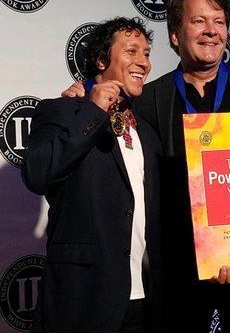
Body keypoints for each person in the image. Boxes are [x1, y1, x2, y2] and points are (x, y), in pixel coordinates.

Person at [61, 0, 230, 332]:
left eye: (219, 22)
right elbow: (103, 98)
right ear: (175, 35)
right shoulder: (148, 98)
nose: (211, 31)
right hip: (180, 275)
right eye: (199, 21)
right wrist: (81, 91)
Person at [21, 17, 164, 333]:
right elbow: (38, 174)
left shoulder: (149, 133)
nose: (143, 62)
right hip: (84, 301)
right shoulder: (62, 111)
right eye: (132, 51)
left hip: (146, 303)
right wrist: (93, 111)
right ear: (101, 61)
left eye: (147, 53)